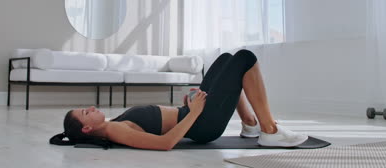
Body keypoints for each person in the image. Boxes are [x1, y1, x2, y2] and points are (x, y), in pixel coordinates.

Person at [53, 50, 308, 150]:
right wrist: (195, 112)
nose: (90, 108)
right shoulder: (116, 131)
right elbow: (166, 143)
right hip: (202, 124)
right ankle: (269, 130)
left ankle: (250, 123)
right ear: (87, 128)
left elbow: (163, 123)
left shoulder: (113, 124)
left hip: (191, 114)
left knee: (224, 60)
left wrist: (187, 106)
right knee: (244, 59)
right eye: (85, 113)